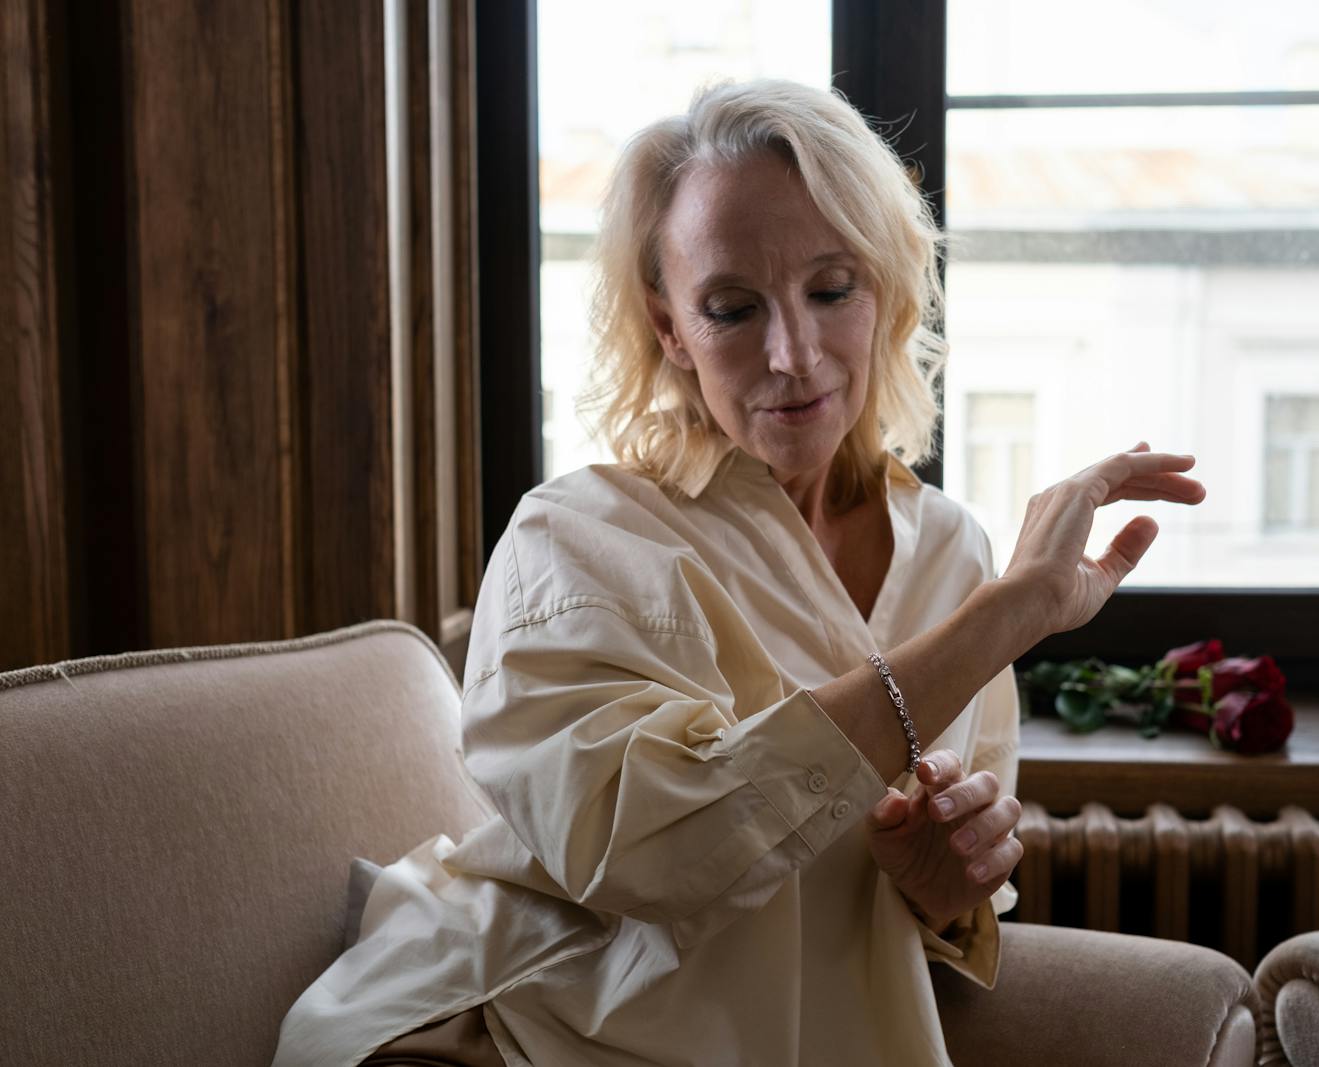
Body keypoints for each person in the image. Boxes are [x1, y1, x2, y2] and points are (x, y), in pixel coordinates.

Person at [272, 78, 1205, 1067]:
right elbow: (650, 854)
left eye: (831, 290)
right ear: (669, 326)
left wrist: (945, 885)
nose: (793, 354)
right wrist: (1003, 617)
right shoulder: (572, 538)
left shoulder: (951, 551)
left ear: (886, 290)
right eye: (731, 308)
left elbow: (933, 897)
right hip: (532, 1033)